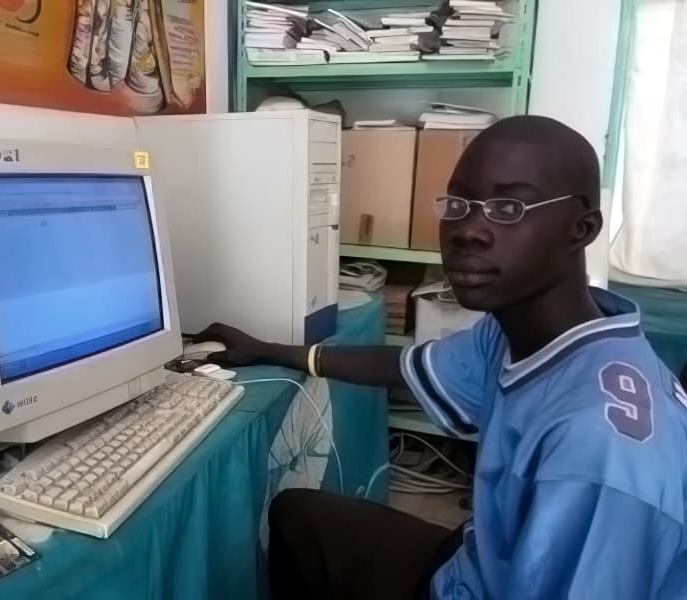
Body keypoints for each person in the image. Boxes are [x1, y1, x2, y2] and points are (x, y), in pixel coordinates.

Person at [195, 116, 687, 599]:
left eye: (509, 207)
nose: (468, 229)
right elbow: (406, 369)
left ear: (582, 228)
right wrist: (272, 351)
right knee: (297, 516)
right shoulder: (531, 330)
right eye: (458, 203)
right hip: (481, 562)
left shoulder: (596, 455)